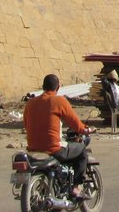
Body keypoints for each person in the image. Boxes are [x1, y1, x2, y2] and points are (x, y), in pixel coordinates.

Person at [23, 73, 90, 203]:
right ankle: (76, 188)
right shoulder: (59, 101)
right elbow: (76, 125)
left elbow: (26, 124)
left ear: (42, 87)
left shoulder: (30, 103)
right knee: (81, 150)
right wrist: (87, 129)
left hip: (32, 149)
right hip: (53, 148)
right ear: (58, 87)